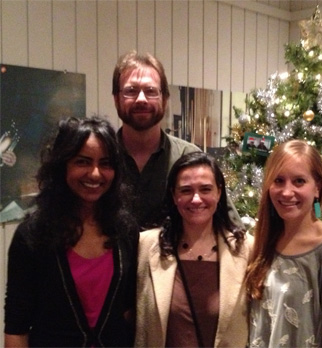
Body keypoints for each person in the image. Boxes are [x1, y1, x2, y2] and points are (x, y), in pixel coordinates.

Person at [4, 116, 139, 347]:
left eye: (105, 163)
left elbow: (128, 311)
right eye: (83, 162)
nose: (95, 174)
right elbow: (17, 329)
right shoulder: (32, 235)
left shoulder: (125, 229)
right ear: (62, 166)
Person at [112, 50, 242, 230]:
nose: (141, 99)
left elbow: (231, 227)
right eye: (131, 91)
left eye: (150, 91)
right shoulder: (101, 159)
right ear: (116, 99)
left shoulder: (190, 157)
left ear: (164, 100)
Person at [135, 151, 253, 348]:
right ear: (174, 195)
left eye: (205, 189)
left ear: (219, 192)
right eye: (186, 190)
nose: (196, 199)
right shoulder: (146, 246)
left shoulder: (246, 249)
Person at [246, 139, 322, 348]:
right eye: (278, 180)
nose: (287, 192)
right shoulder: (265, 242)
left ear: (317, 188)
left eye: (299, 181)